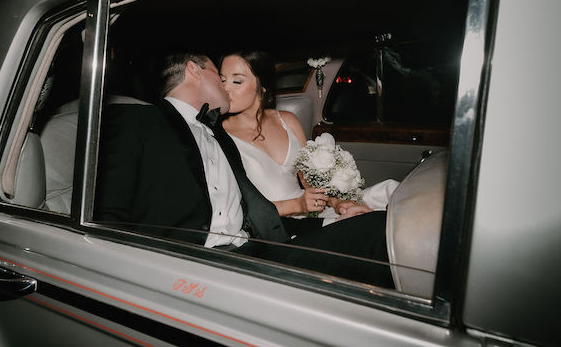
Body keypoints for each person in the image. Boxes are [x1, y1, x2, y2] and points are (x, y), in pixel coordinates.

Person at [94, 52, 394, 288]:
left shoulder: (217, 133)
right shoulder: (135, 121)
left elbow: (255, 208)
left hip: (256, 247)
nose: (225, 86)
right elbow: (107, 219)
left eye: (234, 80)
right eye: (219, 75)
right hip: (196, 265)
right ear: (195, 70)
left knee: (379, 226)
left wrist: (332, 213)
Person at [219, 50, 397, 229]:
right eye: (222, 80)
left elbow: (308, 181)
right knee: (371, 227)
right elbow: (239, 209)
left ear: (262, 86)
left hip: (310, 212)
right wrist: (298, 205)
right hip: (275, 225)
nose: (225, 88)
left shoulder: (287, 121)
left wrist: (337, 204)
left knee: (390, 195)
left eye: (236, 81)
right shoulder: (220, 136)